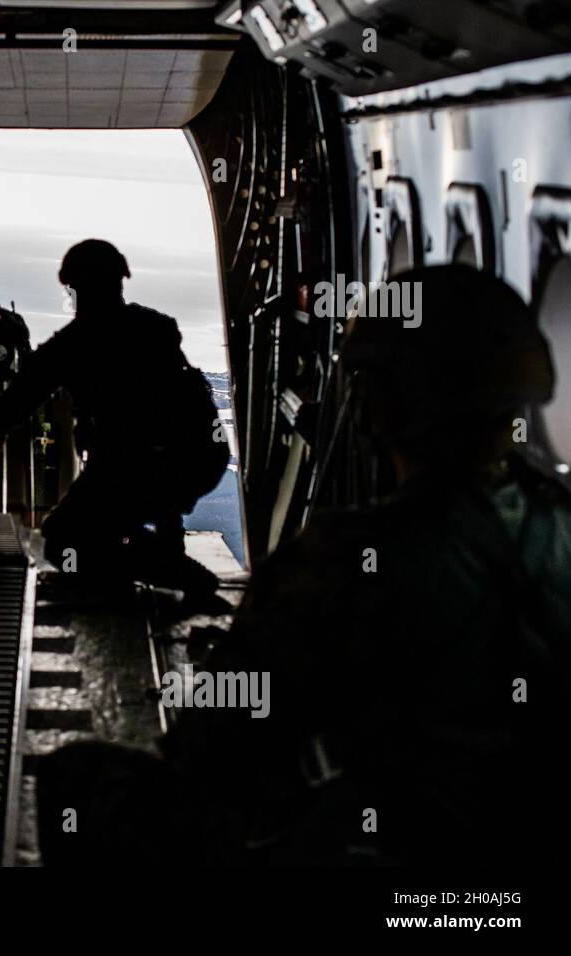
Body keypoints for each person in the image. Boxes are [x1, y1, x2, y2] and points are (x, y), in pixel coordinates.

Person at [36, 264, 571, 867]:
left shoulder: (341, 563)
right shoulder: (559, 527)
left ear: (379, 406)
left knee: (77, 783)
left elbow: (209, 755)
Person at [0, 239, 228, 602]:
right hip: (198, 461)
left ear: (75, 288)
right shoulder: (156, 328)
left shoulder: (79, 342)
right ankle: (160, 561)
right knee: (108, 524)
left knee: (63, 541)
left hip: (138, 467)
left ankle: (172, 572)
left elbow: (32, 383)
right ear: (119, 282)